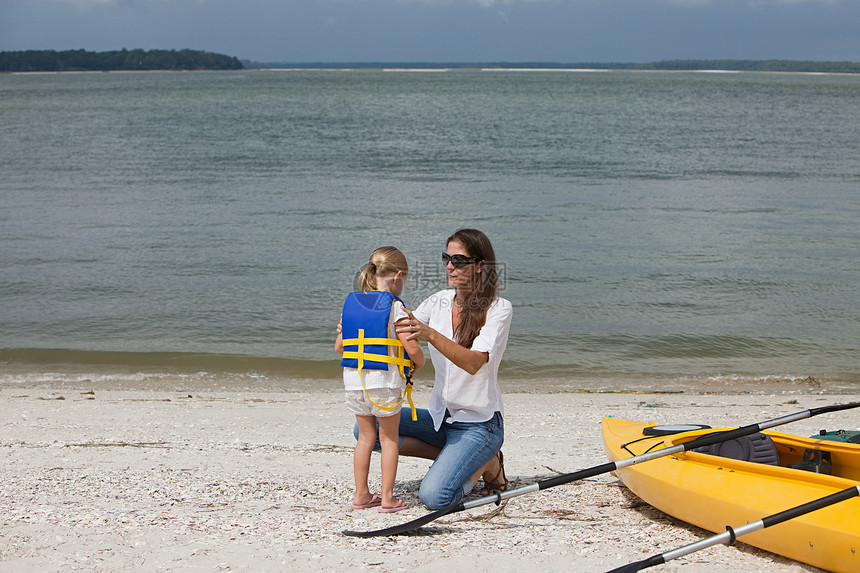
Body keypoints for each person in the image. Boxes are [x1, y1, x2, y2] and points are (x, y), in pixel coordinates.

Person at [394, 228, 513, 510]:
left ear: (480, 266)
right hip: (441, 418)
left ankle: (485, 459)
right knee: (368, 428)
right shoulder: (438, 301)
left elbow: (473, 362)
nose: (450, 265)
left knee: (435, 497)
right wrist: (359, 321)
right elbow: (400, 324)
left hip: (480, 423)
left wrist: (431, 334)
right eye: (447, 258)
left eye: (458, 260)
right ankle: (470, 458)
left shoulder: (498, 308)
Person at [335, 247, 425, 513]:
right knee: (388, 440)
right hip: (384, 383)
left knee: (365, 438)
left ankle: (361, 494)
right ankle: (388, 498)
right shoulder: (395, 308)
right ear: (397, 276)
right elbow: (412, 350)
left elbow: (340, 347)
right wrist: (417, 365)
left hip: (354, 381)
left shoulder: (352, 304)